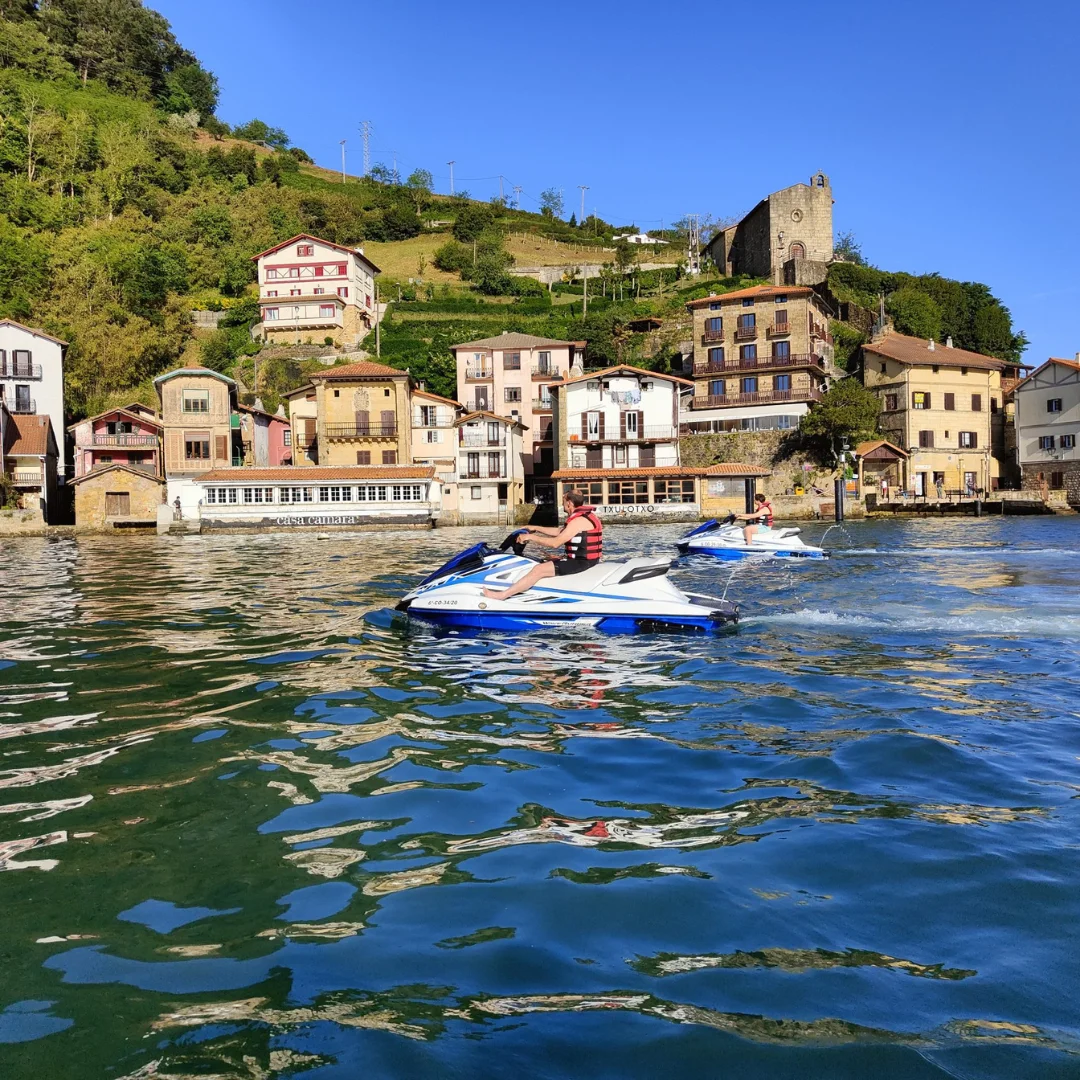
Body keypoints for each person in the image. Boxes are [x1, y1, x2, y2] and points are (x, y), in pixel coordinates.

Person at [482, 490, 602, 600]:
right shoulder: (584, 517)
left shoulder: (578, 521)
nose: (562, 504)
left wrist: (530, 537)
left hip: (582, 562)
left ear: (569, 503)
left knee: (538, 570)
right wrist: (535, 528)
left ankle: (502, 595)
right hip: (582, 560)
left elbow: (556, 543)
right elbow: (559, 532)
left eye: (563, 501)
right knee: (543, 559)